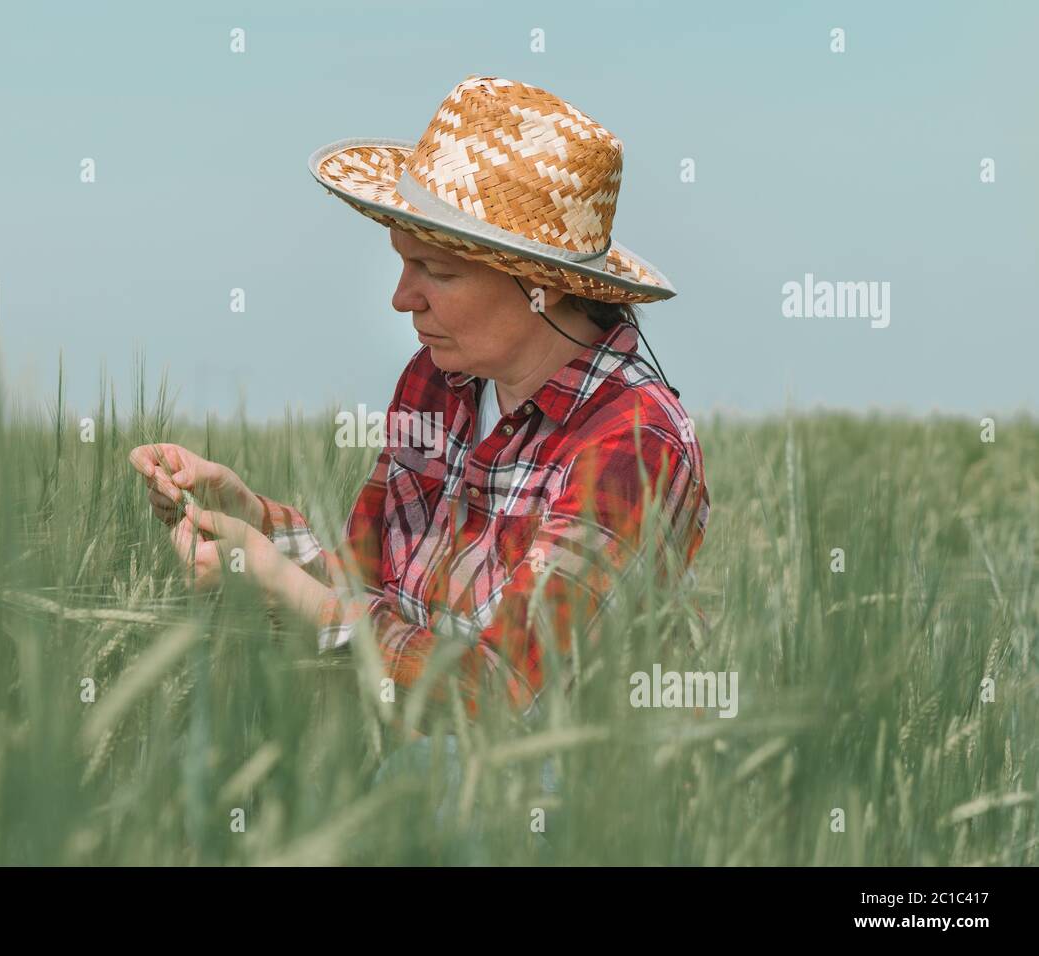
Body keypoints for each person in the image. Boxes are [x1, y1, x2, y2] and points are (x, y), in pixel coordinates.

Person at [130, 75, 710, 724]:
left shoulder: (634, 441)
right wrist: (254, 525)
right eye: (404, 263)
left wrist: (284, 587)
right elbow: (371, 595)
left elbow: (508, 691)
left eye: (438, 271)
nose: (402, 298)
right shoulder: (435, 382)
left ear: (541, 283)